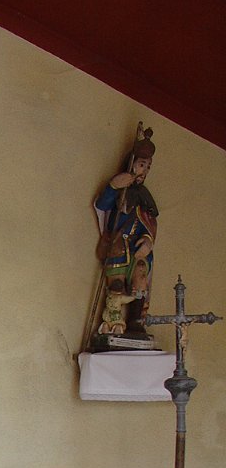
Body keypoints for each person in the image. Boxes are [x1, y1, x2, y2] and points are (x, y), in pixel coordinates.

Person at [94, 126, 158, 336]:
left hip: (138, 250)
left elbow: (150, 222)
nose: (144, 171)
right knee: (117, 284)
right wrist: (114, 186)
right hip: (118, 246)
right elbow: (102, 205)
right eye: (142, 165)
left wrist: (148, 240)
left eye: (148, 167)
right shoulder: (120, 189)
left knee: (140, 278)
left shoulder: (144, 197)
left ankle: (136, 321)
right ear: (131, 164)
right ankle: (113, 320)